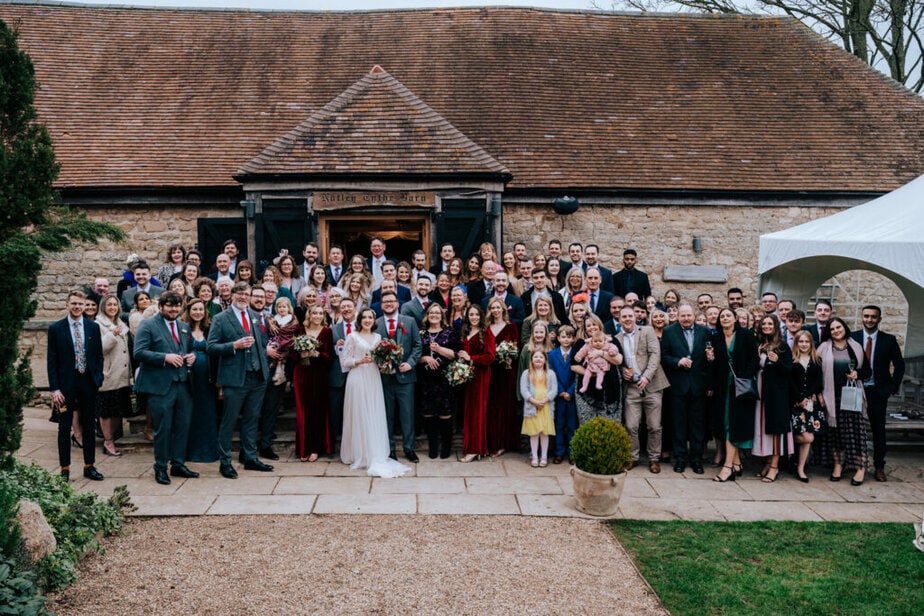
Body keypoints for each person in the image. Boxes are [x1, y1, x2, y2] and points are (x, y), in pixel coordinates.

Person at [207, 282, 277, 478]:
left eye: (246, 294)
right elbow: (210, 346)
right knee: (229, 421)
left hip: (258, 377)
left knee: (252, 419)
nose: (243, 297)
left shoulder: (256, 316)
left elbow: (262, 344)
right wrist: (233, 345)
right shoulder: (221, 318)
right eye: (239, 294)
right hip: (234, 378)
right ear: (232, 295)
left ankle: (250, 458)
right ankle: (225, 462)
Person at [133, 292, 199, 485]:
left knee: (183, 426)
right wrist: (165, 358)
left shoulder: (184, 326)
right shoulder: (148, 325)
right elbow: (139, 352)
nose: (174, 309)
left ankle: (178, 464)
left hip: (183, 384)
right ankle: (160, 467)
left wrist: (192, 356)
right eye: (170, 306)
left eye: (177, 306)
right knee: (163, 428)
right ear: (161, 306)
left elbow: (190, 348)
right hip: (160, 386)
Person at [338, 307, 411, 477]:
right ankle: (359, 453)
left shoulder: (378, 337)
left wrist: (384, 364)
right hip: (357, 377)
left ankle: (374, 450)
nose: (368, 320)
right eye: (364, 318)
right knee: (359, 413)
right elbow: (344, 361)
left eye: (370, 317)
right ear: (360, 320)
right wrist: (359, 361)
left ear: (374, 320)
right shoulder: (352, 336)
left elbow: (380, 359)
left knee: (373, 412)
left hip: (373, 377)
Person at [48, 290, 105, 482]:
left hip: (88, 382)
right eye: (73, 303)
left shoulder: (92, 327)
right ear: (67, 304)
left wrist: (98, 377)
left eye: (80, 304)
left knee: (89, 425)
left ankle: (89, 466)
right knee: (64, 427)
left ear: (84, 306)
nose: (77, 307)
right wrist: (55, 389)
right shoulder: (56, 329)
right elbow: (52, 360)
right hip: (66, 385)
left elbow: (98, 355)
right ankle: (65, 469)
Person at [851, 304, 905, 482]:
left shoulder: (888, 340)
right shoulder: (853, 337)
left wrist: (892, 387)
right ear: (862, 317)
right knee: (853, 428)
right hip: (857, 389)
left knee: (878, 430)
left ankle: (879, 466)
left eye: (873, 317)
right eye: (866, 316)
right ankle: (855, 463)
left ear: (879, 319)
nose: (869, 320)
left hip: (878, 391)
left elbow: (899, 365)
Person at [816, 317, 870, 486]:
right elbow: (816, 373)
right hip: (832, 396)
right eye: (832, 329)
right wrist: (819, 394)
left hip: (852, 395)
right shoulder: (823, 348)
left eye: (838, 327)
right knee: (835, 434)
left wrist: (857, 374)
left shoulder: (856, 346)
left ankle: (860, 468)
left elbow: (867, 370)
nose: (836, 331)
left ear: (845, 328)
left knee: (856, 433)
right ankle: (838, 465)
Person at [708, 307, 759, 483]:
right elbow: (714, 366)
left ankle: (728, 467)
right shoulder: (715, 338)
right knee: (727, 423)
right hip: (723, 387)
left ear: (735, 318)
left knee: (734, 425)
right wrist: (711, 359)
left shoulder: (746, 335)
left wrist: (744, 377)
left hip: (741, 386)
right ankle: (736, 463)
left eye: (728, 315)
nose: (725, 318)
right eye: (722, 316)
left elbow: (754, 359)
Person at [616, 305, 669, 473]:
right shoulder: (616, 338)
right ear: (619, 319)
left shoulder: (647, 331)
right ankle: (633, 457)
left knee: (654, 426)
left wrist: (646, 376)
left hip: (652, 385)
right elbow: (616, 360)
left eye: (630, 316)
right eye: (624, 316)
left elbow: (655, 354)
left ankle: (654, 458)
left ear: (635, 317)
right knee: (631, 426)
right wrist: (622, 370)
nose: (627, 319)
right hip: (631, 387)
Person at [661, 303, 710, 474]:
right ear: (678, 316)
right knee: (679, 424)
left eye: (689, 315)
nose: (686, 318)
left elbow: (709, 359)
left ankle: (696, 460)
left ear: (694, 315)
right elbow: (664, 356)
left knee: (697, 426)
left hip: (698, 386)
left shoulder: (705, 332)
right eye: (683, 316)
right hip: (678, 385)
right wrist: (677, 361)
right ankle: (680, 459)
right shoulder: (669, 332)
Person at [375, 290, 422, 462]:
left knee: (407, 414)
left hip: (406, 377)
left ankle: (409, 448)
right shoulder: (376, 323)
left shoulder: (409, 322)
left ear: (398, 303)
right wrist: (379, 362)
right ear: (381, 305)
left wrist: (410, 363)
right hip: (384, 378)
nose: (388, 304)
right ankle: (390, 449)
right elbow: (372, 347)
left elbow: (418, 345)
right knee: (387, 415)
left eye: (391, 301)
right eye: (385, 301)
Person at [752, 315, 794, 483]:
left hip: (776, 394)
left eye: (770, 324)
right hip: (760, 391)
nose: (767, 326)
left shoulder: (782, 347)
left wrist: (777, 363)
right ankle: (768, 462)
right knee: (763, 429)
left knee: (776, 429)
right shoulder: (759, 345)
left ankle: (775, 466)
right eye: (764, 324)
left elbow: (789, 370)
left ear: (776, 326)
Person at [417, 303, 460, 459]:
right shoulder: (421, 333)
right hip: (426, 379)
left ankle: (446, 447)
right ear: (427, 315)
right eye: (431, 313)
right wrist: (425, 358)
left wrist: (439, 350)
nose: (434, 315)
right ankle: (433, 445)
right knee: (428, 413)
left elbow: (456, 354)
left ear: (442, 316)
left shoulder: (449, 332)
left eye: (437, 313)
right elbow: (414, 355)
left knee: (444, 413)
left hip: (444, 379)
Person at [293, 305, 333, 462]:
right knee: (303, 411)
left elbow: (329, 357)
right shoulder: (300, 330)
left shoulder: (327, 332)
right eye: (314, 313)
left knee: (317, 411)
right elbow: (293, 354)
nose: (317, 315)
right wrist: (300, 353)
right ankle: (303, 448)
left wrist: (314, 353)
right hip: (301, 373)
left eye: (320, 313)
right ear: (309, 315)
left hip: (319, 375)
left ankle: (316, 448)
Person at [181, 298, 219, 464]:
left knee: (207, 412)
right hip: (189, 378)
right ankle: (188, 451)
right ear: (189, 311)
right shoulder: (183, 329)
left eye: (200, 310)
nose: (198, 312)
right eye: (194, 309)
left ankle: (208, 451)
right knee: (190, 412)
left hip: (207, 378)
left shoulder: (209, 329)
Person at [458, 304, 496, 462]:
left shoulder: (486, 333)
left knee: (477, 412)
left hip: (480, 375)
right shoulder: (465, 331)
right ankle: (474, 447)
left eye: (476, 315)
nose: (473, 317)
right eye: (470, 315)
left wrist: (471, 359)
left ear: (481, 316)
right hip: (466, 376)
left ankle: (475, 449)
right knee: (468, 411)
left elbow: (490, 356)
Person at [95, 294, 131, 457]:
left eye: (114, 305)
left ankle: (113, 438)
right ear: (104, 307)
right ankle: (108, 441)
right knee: (106, 411)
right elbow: (98, 348)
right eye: (109, 305)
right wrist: (112, 335)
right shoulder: (98, 324)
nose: (112, 308)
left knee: (118, 410)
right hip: (108, 374)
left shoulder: (121, 322)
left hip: (122, 375)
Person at [571, 315, 623, 425]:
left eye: (594, 324)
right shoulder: (582, 343)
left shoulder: (611, 340)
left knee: (610, 427)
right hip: (587, 391)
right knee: (588, 426)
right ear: (585, 328)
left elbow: (619, 360)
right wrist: (591, 373)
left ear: (599, 325)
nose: (591, 327)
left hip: (610, 389)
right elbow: (574, 365)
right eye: (588, 326)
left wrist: (601, 353)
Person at [486, 296, 520, 457]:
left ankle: (504, 443)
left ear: (503, 309)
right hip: (490, 370)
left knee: (505, 407)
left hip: (506, 371)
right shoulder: (486, 327)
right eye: (493, 308)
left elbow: (515, 347)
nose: (495, 310)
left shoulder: (510, 326)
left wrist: (508, 355)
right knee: (492, 408)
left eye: (498, 307)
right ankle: (492, 442)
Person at [790, 330, 825, 483]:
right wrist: (798, 398)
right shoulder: (791, 360)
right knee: (803, 436)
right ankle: (788, 448)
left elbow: (818, 382)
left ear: (811, 343)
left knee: (809, 437)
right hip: (794, 403)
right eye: (801, 342)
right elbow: (789, 382)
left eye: (806, 342)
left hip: (810, 404)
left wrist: (808, 397)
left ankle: (800, 468)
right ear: (796, 343)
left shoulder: (817, 360)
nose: (804, 345)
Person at [520, 350, 558, 468]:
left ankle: (544, 457)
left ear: (545, 360)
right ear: (531, 360)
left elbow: (554, 389)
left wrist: (545, 400)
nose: (538, 359)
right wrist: (534, 401)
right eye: (535, 357)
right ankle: (535, 456)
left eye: (541, 357)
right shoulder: (526, 373)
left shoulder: (550, 373)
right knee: (534, 433)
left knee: (544, 433)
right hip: (532, 407)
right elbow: (524, 390)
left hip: (545, 407)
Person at [328, 297, 357, 451]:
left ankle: (354, 445)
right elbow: (326, 350)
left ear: (355, 307)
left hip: (358, 375)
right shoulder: (333, 329)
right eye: (343, 307)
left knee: (355, 412)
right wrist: (335, 347)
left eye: (349, 306)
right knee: (335, 411)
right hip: (337, 376)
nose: (346, 309)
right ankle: (332, 445)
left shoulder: (361, 327)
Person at [548, 325, 577, 464]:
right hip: (558, 395)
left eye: (569, 337)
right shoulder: (552, 355)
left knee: (572, 425)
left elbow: (578, 375)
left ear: (573, 339)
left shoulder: (576, 354)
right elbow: (551, 374)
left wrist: (570, 392)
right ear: (558, 338)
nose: (566, 339)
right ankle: (558, 452)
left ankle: (572, 452)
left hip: (572, 396)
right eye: (563, 337)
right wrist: (560, 391)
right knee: (559, 424)